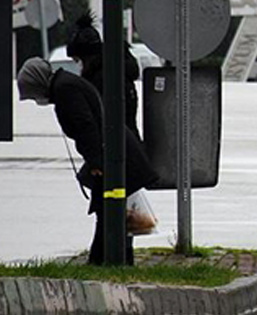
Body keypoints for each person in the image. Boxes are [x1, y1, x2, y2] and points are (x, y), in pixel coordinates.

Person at [16, 57, 157, 265]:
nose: (36, 100)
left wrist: (96, 163)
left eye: (33, 94)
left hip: (111, 156)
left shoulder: (65, 90)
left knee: (109, 211)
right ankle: (114, 260)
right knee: (112, 211)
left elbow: (86, 127)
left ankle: (105, 261)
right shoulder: (66, 84)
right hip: (114, 151)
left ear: (38, 84)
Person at [66, 13, 141, 135]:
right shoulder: (115, 72)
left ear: (88, 57)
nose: (78, 66)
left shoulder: (102, 79)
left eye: (78, 60)